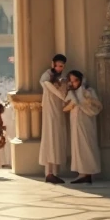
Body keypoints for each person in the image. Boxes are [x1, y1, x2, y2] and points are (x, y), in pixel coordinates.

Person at [64, 70, 102, 184]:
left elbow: (97, 106)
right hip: (75, 123)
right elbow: (64, 107)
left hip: (86, 122)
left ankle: (88, 172)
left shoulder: (88, 91)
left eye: (75, 80)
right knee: (78, 146)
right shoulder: (71, 93)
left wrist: (84, 98)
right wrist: (73, 103)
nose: (74, 83)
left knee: (87, 145)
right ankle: (82, 173)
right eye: (71, 81)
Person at [39, 54, 69, 184]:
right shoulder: (46, 76)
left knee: (57, 138)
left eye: (61, 66)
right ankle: (49, 172)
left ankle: (55, 173)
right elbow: (49, 86)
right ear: (53, 64)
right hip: (50, 110)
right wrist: (64, 98)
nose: (59, 68)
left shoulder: (61, 78)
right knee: (50, 137)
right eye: (57, 65)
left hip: (58, 110)